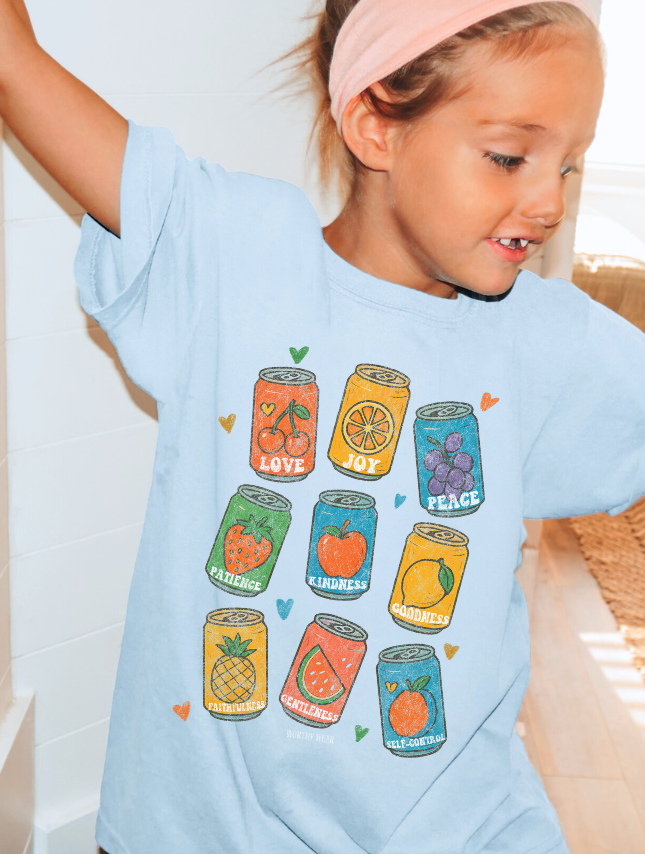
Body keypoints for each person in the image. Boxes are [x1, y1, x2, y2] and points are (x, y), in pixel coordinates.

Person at [1, 0, 643, 852]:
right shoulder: (234, 257)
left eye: (566, 166)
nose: (547, 201)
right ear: (374, 128)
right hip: (197, 828)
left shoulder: (546, 342)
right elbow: (17, 66)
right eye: (507, 156)